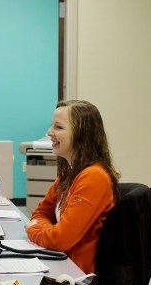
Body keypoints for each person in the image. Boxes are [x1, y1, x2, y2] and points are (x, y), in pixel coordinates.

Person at [25, 100, 120, 273]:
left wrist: (33, 229)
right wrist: (48, 230)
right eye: (52, 126)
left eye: (58, 127)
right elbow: (41, 213)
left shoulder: (93, 177)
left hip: (74, 274)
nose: (49, 132)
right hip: (59, 262)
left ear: (81, 134)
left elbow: (61, 239)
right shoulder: (69, 173)